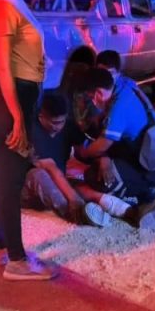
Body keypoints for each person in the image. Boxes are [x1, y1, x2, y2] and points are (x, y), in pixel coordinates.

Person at [0, 0, 57, 281]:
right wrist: (18, 117)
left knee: (2, 177)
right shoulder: (1, 7)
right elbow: (2, 68)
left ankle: (1, 249)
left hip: (20, 96)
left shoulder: (17, 2)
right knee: (10, 180)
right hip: (11, 98)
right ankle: (17, 260)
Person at [74, 68, 155, 227]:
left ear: (98, 93)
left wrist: (83, 152)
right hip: (149, 152)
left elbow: (101, 146)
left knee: (93, 176)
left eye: (92, 97)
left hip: (150, 166)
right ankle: (142, 191)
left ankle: (141, 197)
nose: (92, 101)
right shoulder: (123, 86)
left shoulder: (118, 108)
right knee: (99, 161)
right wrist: (104, 158)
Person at [23, 91, 111, 227]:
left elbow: (84, 151)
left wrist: (103, 158)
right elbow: (51, 169)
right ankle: (78, 215)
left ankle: (118, 207)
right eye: (54, 122)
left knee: (81, 186)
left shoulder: (68, 125)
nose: (58, 126)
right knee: (39, 175)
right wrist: (74, 198)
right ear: (41, 116)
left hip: (58, 178)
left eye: (62, 121)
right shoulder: (32, 131)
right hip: (28, 189)